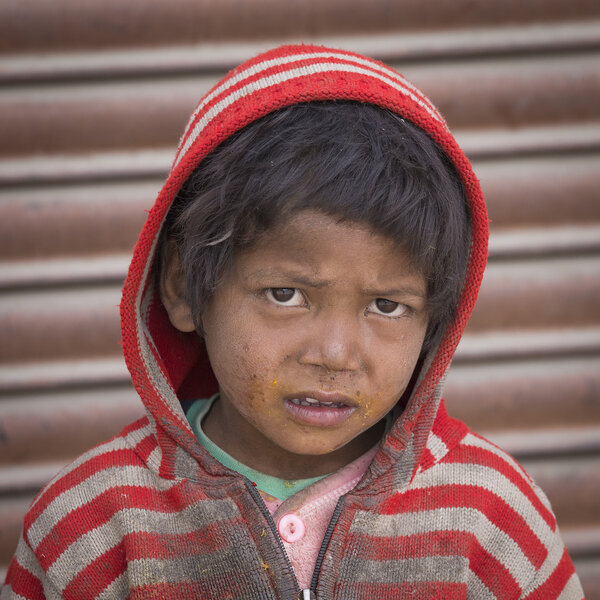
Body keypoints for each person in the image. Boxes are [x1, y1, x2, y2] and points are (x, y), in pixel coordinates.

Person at [2, 44, 583, 600]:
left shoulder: (491, 516)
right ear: (182, 287)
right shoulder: (91, 525)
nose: (334, 354)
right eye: (286, 294)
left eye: (387, 306)